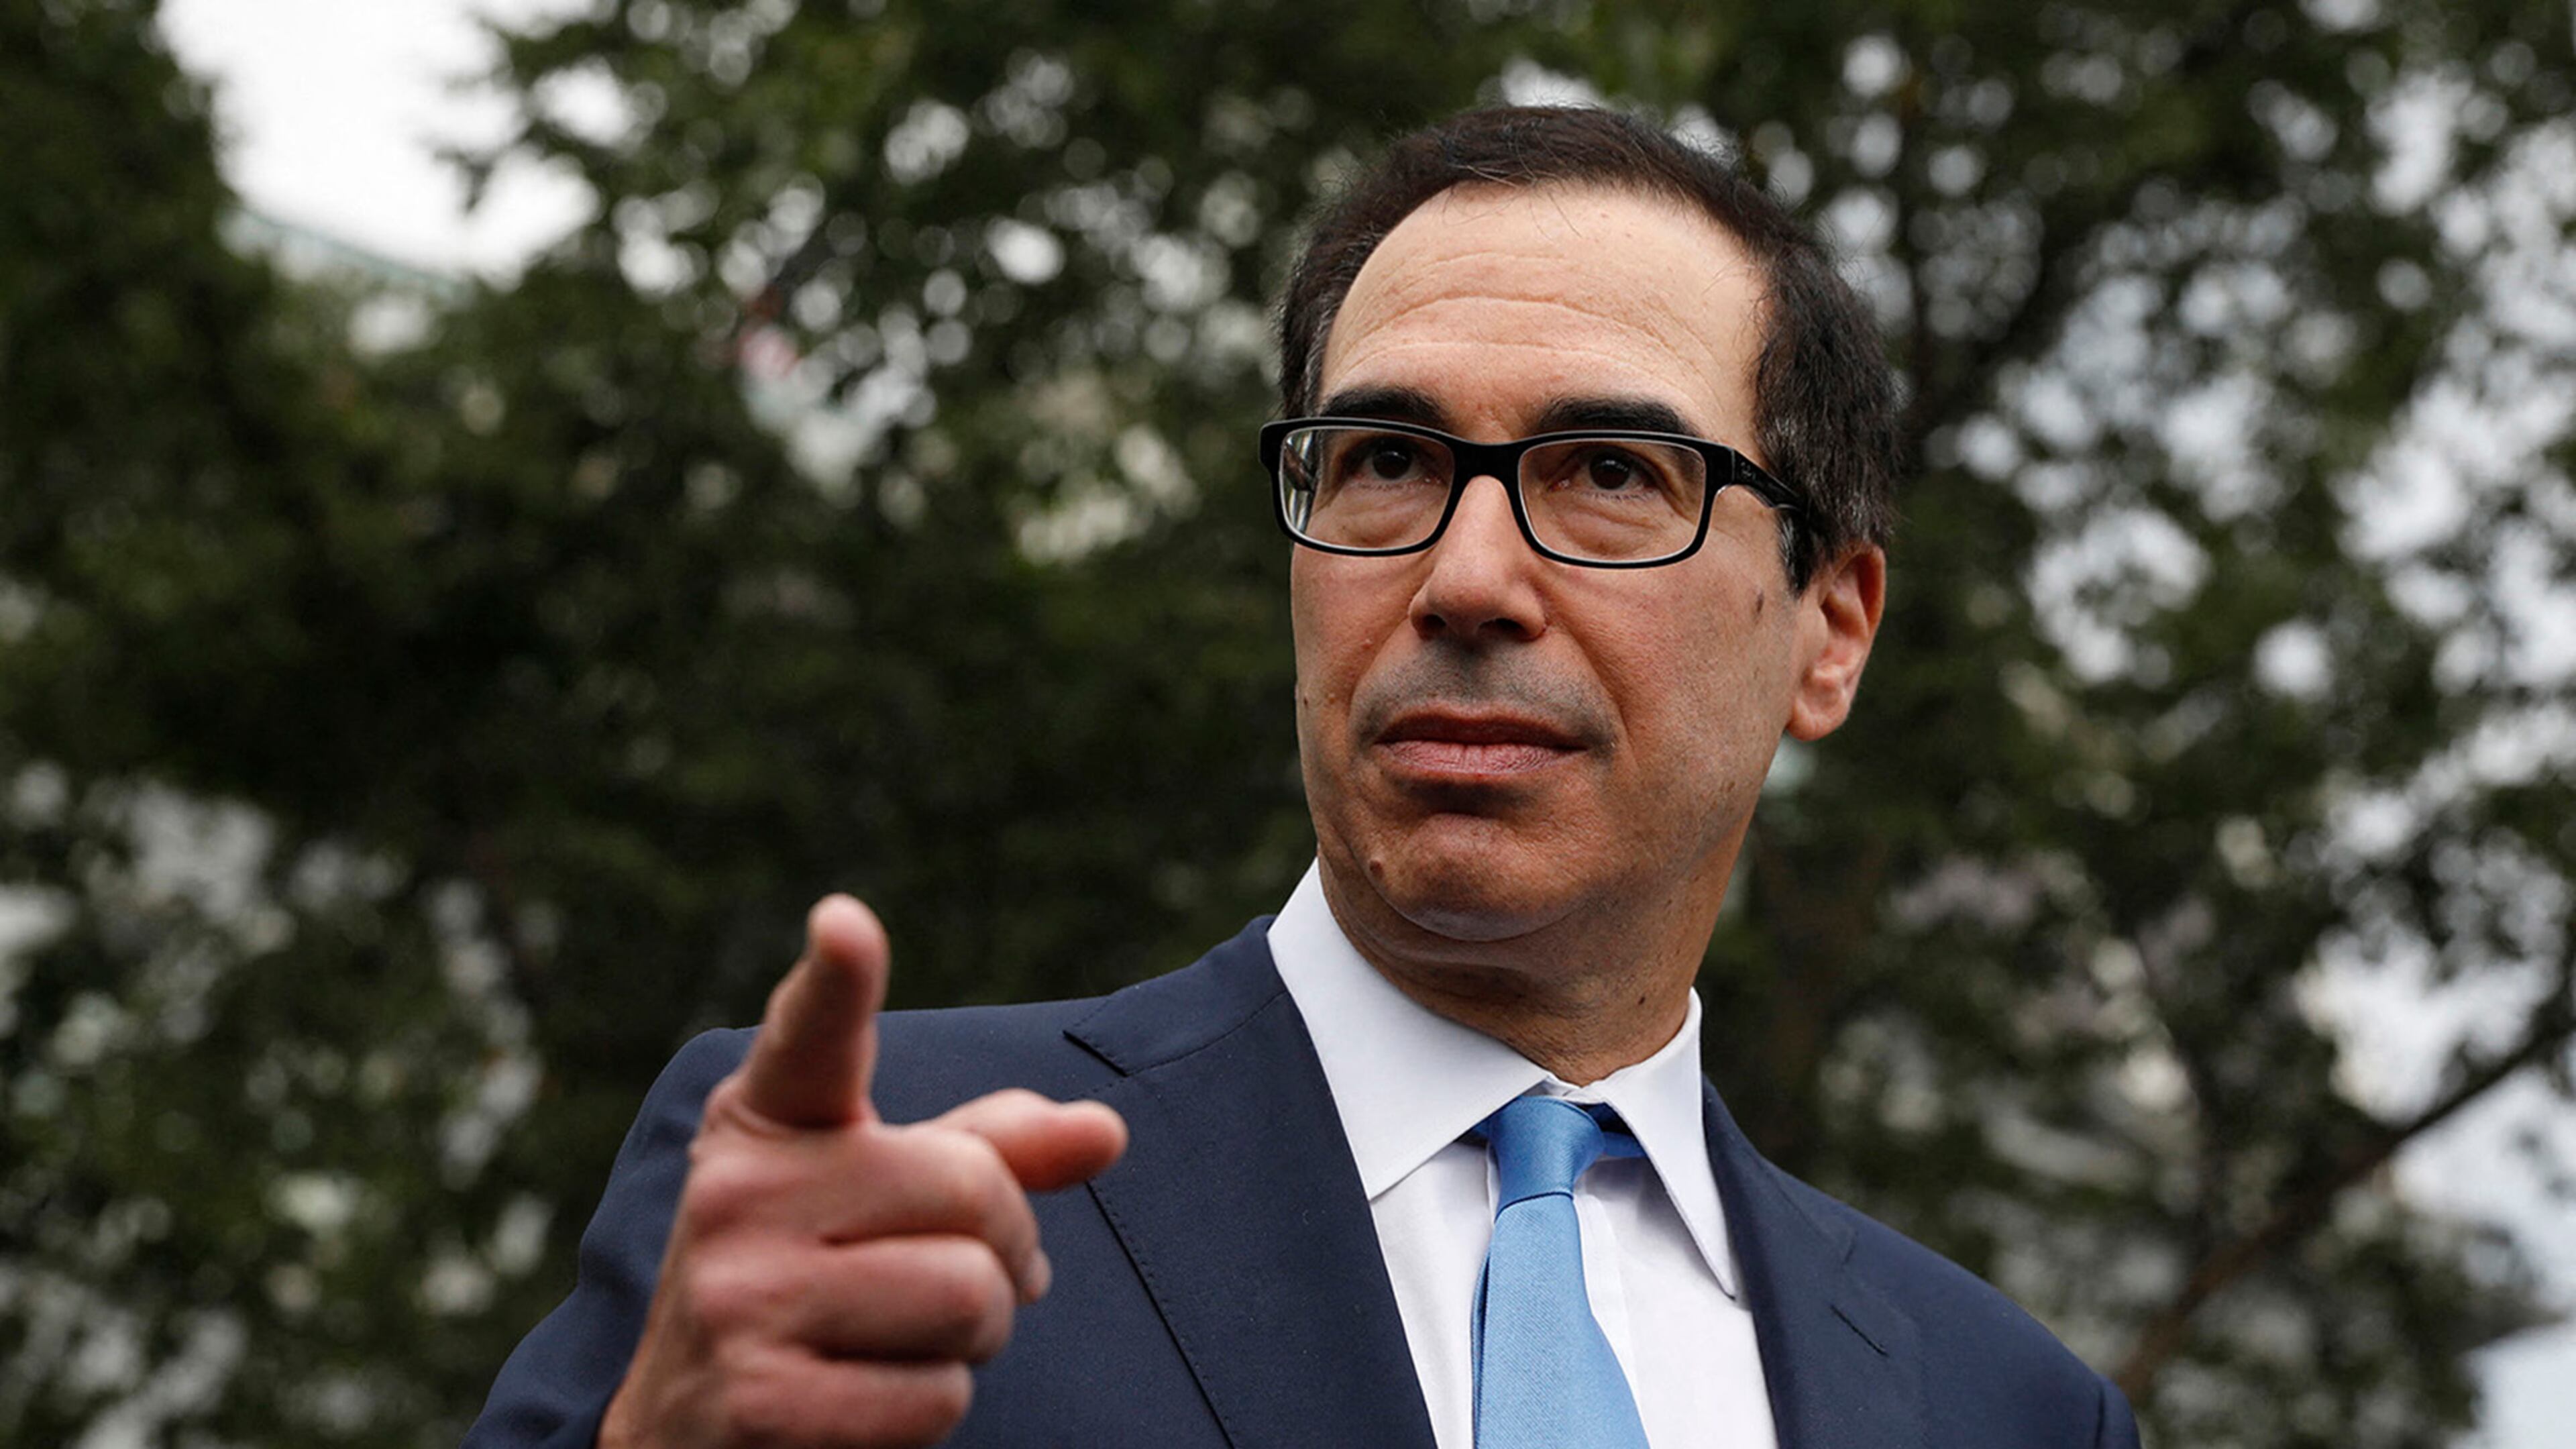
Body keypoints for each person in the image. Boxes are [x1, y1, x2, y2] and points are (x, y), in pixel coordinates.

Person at [465, 105, 2142, 1449]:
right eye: (1390, 460)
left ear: (1831, 628)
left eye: (1613, 470)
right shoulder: (878, 1194)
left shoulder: (2008, 1407)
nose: (1468, 577)